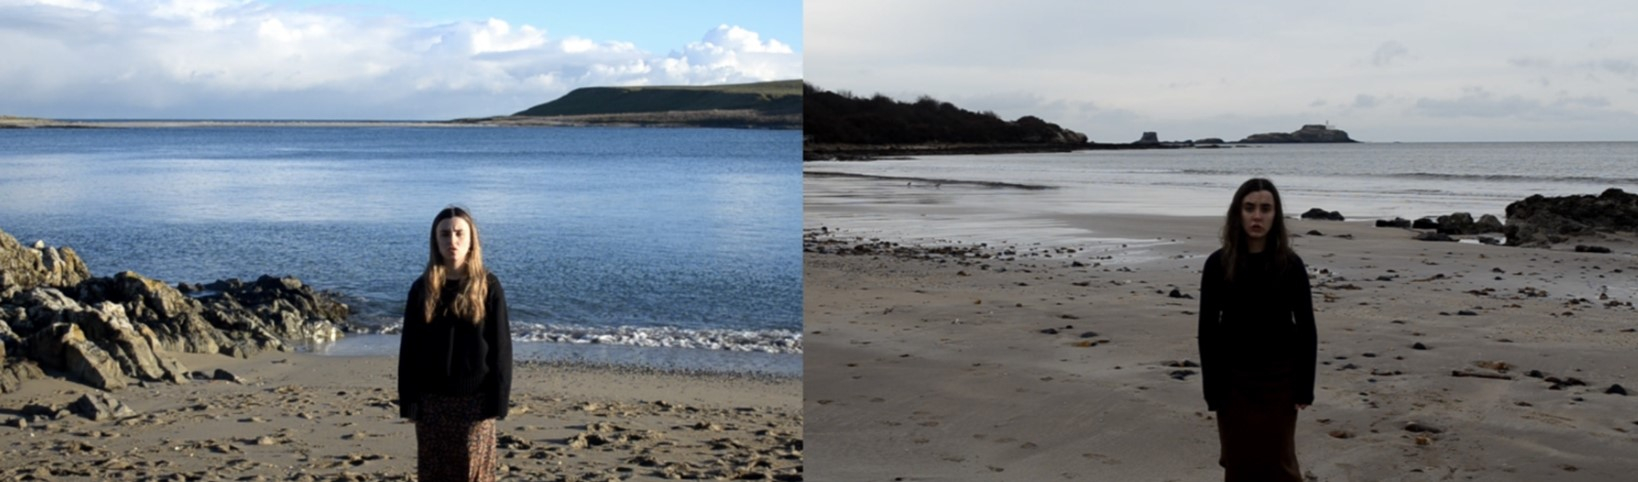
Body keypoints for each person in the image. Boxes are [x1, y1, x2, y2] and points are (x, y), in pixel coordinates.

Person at [1197, 178, 1317, 482]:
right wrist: (1211, 388)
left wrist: (1305, 386)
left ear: (1275, 215)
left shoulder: (1290, 264)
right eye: (1249, 208)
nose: (1257, 216)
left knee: (1280, 463)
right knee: (1238, 462)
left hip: (1280, 380)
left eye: (1265, 209)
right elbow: (1208, 329)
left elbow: (1306, 327)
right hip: (1232, 380)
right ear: (1238, 212)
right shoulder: (1218, 264)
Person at [398, 205, 512, 482]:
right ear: (435, 241)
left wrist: (499, 400)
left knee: (474, 475)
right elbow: (409, 350)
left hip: (476, 404)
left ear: (472, 238)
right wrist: (409, 403)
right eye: (445, 234)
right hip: (431, 403)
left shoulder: (488, 285)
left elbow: (501, 350)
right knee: (434, 473)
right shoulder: (422, 288)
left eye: (460, 233)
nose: (453, 241)